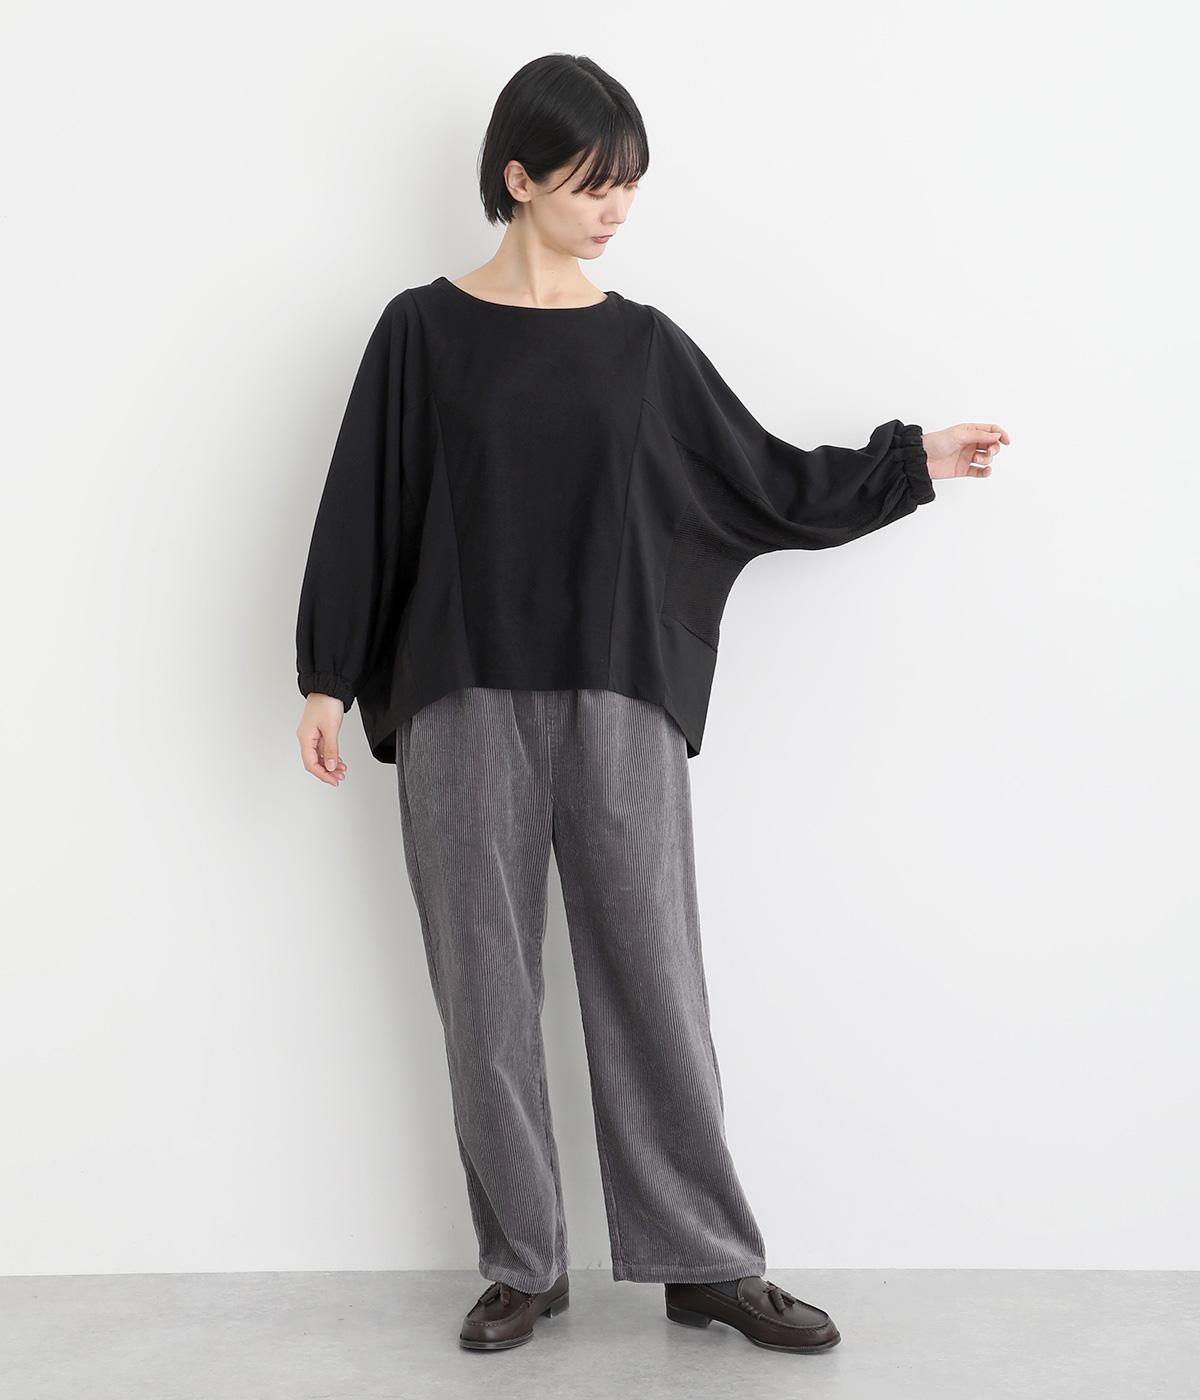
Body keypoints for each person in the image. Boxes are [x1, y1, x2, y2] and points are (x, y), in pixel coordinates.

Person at [294, 53, 1008, 1355]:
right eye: (593, 182)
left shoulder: (642, 348)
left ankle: (704, 1262)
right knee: (484, 987)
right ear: (519, 177)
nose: (616, 207)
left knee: (654, 980)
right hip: (460, 695)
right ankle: (523, 1263)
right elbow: (365, 502)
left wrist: (911, 463)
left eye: (629, 183)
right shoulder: (420, 332)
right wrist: (327, 677)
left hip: (616, 694)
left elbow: (763, 480)